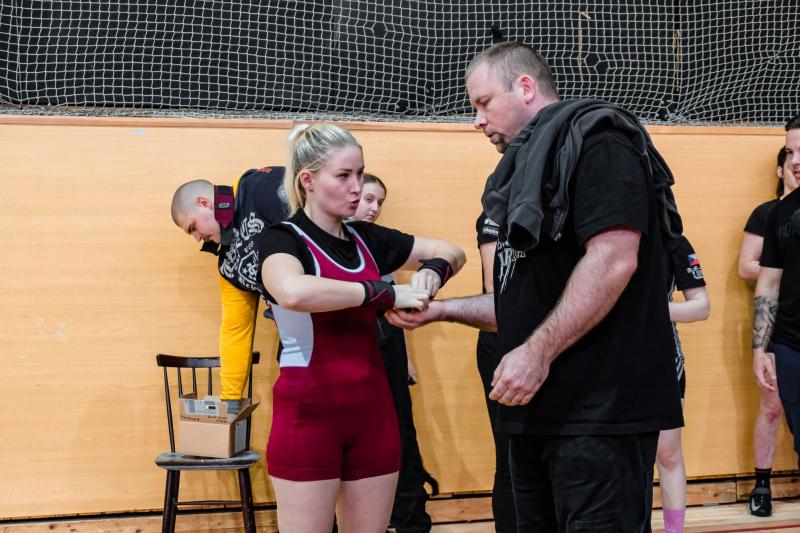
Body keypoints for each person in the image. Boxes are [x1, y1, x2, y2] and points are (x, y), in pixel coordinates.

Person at [387, 41, 684, 532]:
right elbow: (524, 305)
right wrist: (441, 310)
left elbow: (614, 259)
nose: (477, 120)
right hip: (534, 416)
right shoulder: (521, 172)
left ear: (525, 87)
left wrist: (536, 353)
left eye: (483, 103)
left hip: (598, 415)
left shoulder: (600, 141)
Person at [257, 124, 466, 533]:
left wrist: (432, 273)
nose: (357, 187)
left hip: (374, 414)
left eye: (360, 173)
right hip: (309, 416)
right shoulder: (282, 239)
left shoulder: (367, 238)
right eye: (343, 176)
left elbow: (451, 251)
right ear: (308, 180)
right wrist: (385, 293)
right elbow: (292, 292)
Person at [351, 173, 438, 533]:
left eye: (380, 202)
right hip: (347, 347)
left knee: (401, 430)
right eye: (368, 199)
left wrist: (406, 361)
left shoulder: (381, 242)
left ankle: (410, 519)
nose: (374, 208)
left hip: (386, 341)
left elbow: (394, 305)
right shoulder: (324, 242)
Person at [170, 166, 288, 409]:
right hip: (297, 334)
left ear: (204, 203)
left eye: (192, 227)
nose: (197, 238)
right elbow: (236, 330)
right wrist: (230, 403)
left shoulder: (257, 186)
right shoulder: (229, 266)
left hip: (337, 307)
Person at [739, 145, 799, 517]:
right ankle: (762, 484)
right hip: (783, 332)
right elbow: (751, 269)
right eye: (791, 155)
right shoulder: (771, 213)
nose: (797, 162)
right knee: (774, 408)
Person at [753, 115, 800, 497]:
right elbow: (767, 284)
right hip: (790, 343)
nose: (796, 160)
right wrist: (759, 350)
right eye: (790, 151)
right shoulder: (779, 214)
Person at [656, 235, 710, 533]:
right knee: (620, 457)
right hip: (608, 364)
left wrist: (652, 309)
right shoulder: (597, 233)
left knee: (667, 452)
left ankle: (674, 530)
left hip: (663, 362)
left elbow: (701, 307)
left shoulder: (674, 241)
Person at [475, 212, 516, 533]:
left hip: (542, 345)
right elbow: (495, 286)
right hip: (502, 344)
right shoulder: (494, 215)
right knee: (510, 457)